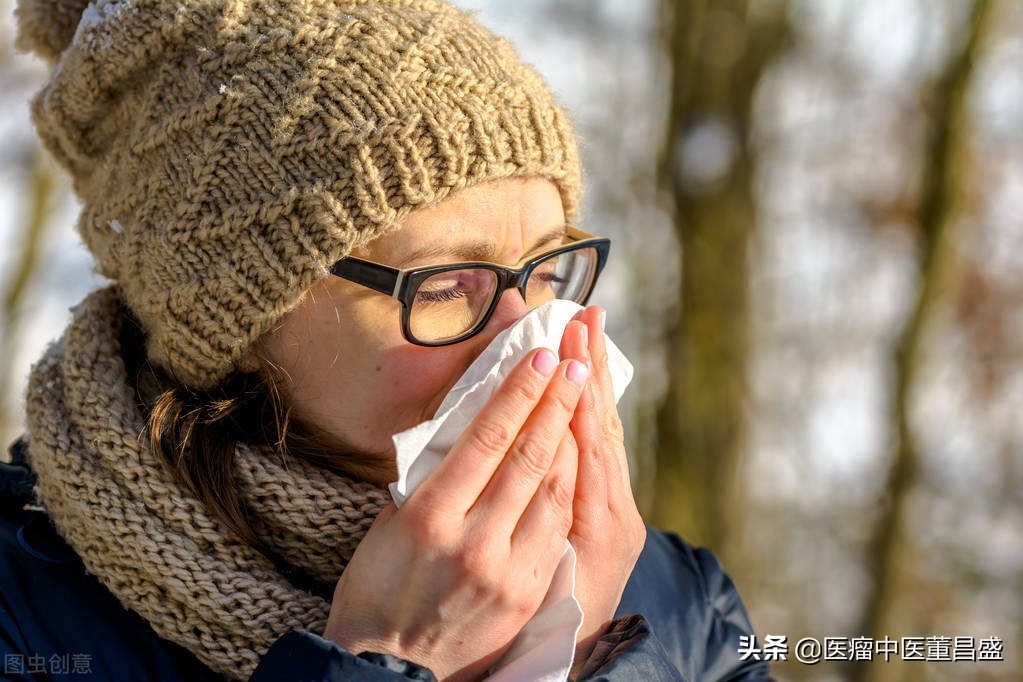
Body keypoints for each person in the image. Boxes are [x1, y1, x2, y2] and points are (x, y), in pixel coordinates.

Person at [0, 0, 772, 680]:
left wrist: (587, 651)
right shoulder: (23, 620)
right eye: (443, 285)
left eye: (544, 270)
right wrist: (392, 660)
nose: (526, 336)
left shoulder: (674, 603)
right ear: (239, 324)